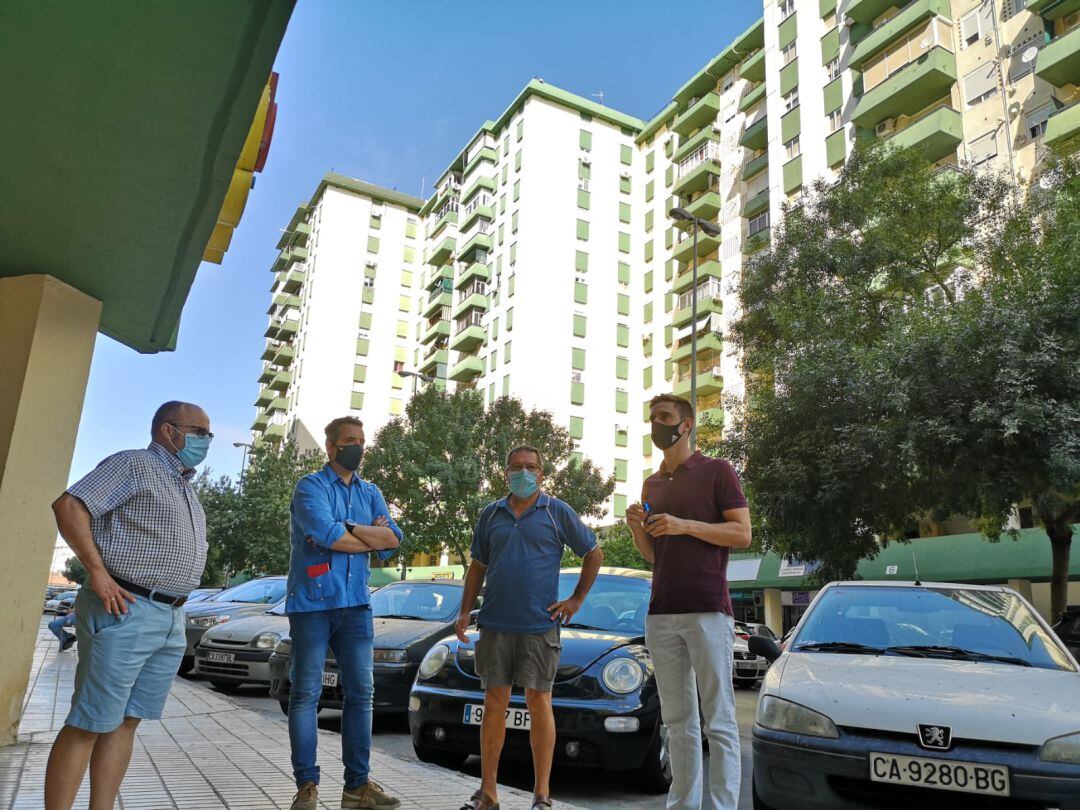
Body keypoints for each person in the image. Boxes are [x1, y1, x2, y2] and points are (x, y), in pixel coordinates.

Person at [44, 401, 211, 810]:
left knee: (125, 722)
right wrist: (96, 572)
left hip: (170, 616)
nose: (206, 441)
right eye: (199, 432)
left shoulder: (184, 486)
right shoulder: (134, 465)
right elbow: (68, 506)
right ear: (168, 431)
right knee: (89, 721)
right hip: (125, 606)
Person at [455, 445, 604, 810]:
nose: (523, 472)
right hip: (494, 624)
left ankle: (542, 796)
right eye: (516, 466)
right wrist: (463, 612)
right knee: (494, 704)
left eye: (531, 467)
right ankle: (487, 793)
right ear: (505, 472)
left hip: (540, 627)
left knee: (540, 703)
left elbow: (593, 552)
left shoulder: (556, 512)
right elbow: (477, 566)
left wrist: (576, 601)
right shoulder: (491, 514)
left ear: (542, 474)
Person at [627, 394, 752, 810]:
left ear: (687, 425)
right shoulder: (652, 483)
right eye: (652, 418)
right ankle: (681, 805)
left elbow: (741, 534)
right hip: (661, 612)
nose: (656, 425)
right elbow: (652, 554)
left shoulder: (718, 471)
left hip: (708, 609)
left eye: (664, 417)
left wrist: (683, 525)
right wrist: (636, 529)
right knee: (678, 723)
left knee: (718, 720)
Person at [286, 416, 403, 810]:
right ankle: (307, 787)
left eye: (361, 440)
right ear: (332, 447)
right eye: (350, 440)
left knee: (362, 695)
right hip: (313, 604)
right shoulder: (310, 487)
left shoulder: (371, 491)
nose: (358, 446)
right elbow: (328, 535)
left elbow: (393, 541)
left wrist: (350, 529)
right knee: (306, 695)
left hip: (356, 605)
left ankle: (357, 787)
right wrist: (364, 535)